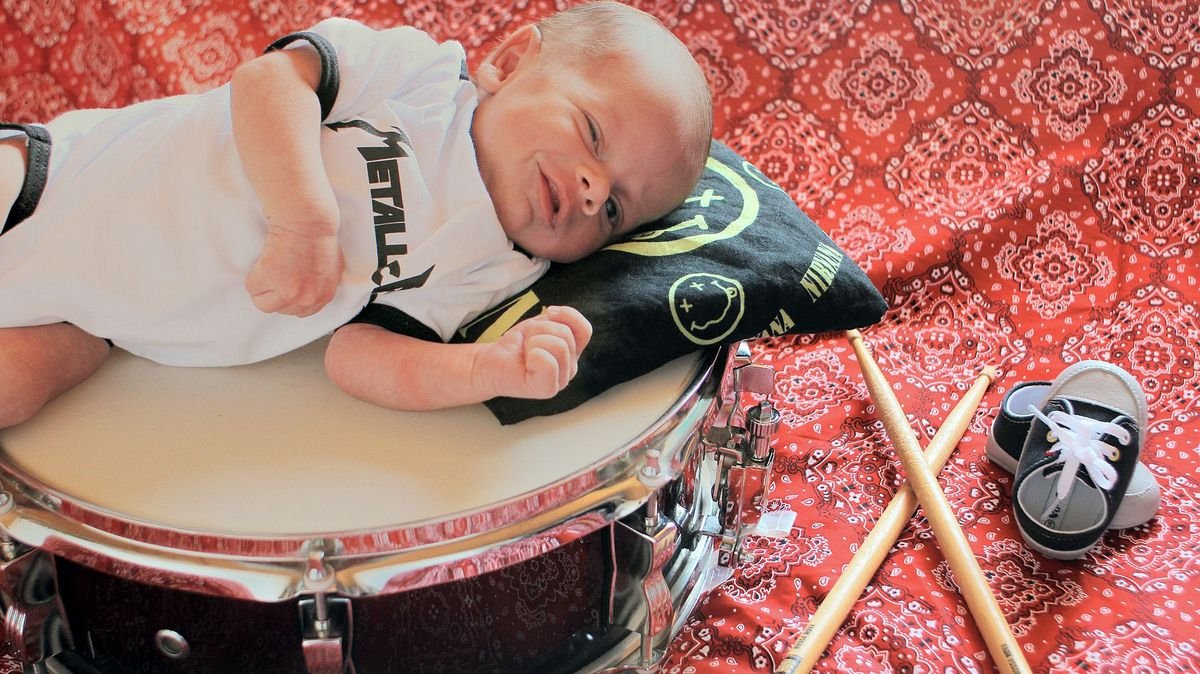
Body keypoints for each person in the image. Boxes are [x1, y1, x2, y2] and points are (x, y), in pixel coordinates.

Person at [0, 2, 713, 429]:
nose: (591, 189)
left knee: (17, 392)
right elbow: (269, 81)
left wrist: (481, 367)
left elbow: (357, 355)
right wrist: (301, 220)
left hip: (96, 324)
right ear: (510, 60)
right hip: (52, 182)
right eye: (592, 132)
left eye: (614, 208)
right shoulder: (419, 75)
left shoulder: (496, 266)